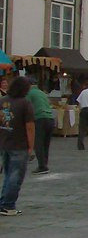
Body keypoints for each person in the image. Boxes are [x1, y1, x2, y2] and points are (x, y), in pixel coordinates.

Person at [0, 77, 36, 215]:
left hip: (5, 141)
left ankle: (3, 202)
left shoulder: (3, 101)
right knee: (16, 175)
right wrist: (31, 147)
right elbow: (30, 127)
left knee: (9, 174)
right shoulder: (25, 104)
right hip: (19, 143)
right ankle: (8, 205)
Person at [26, 78, 55, 175]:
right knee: (46, 144)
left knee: (38, 143)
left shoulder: (29, 93)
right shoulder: (42, 93)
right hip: (50, 118)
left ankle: (42, 166)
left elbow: (26, 106)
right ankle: (44, 164)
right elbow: (49, 103)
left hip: (39, 118)